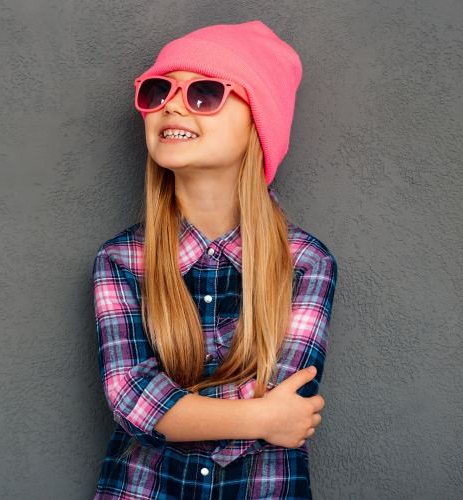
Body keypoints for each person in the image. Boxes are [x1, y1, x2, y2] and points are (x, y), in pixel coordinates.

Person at [92, 21, 337, 499]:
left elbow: (291, 402)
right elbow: (132, 402)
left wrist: (177, 412)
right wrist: (260, 418)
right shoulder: (121, 260)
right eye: (159, 90)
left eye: (205, 93)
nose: (173, 105)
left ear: (258, 123)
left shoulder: (306, 263)